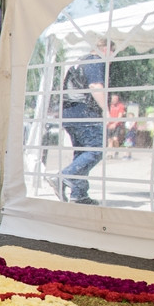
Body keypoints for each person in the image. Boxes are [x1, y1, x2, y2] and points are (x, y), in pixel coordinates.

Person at [47, 39, 113, 205]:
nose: (113, 56)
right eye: (113, 52)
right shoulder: (95, 61)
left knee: (82, 154)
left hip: (70, 113)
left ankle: (79, 194)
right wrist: (107, 111)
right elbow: (95, 86)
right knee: (97, 148)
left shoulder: (80, 62)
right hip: (84, 113)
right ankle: (64, 177)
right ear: (105, 49)